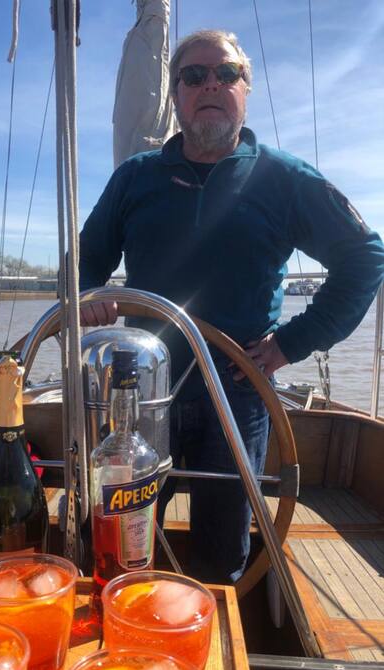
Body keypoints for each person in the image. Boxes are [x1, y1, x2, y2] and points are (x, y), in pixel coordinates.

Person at [78, 29, 384, 584]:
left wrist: (292, 342)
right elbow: (84, 262)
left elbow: (364, 257)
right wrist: (87, 297)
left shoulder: (285, 179)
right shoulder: (135, 178)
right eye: (194, 76)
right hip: (142, 387)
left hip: (238, 385)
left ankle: (216, 620)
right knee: (120, 530)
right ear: (177, 95)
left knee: (222, 547)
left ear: (246, 88)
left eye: (226, 74)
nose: (211, 85)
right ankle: (120, 611)